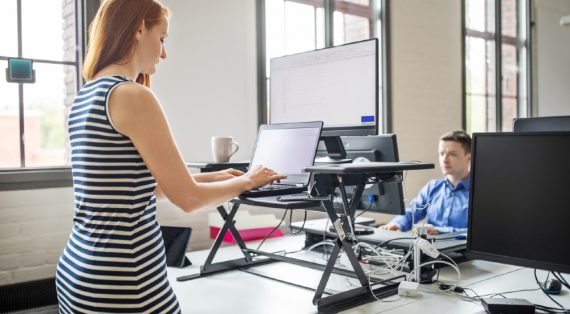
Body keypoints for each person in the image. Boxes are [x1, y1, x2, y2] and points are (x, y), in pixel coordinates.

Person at [55, 1, 285, 312]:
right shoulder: (132, 95)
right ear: (139, 28)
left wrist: (219, 176)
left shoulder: (86, 96)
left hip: (79, 272)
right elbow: (187, 199)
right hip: (125, 278)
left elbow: (145, 187)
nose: (164, 53)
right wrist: (246, 182)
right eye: (162, 38)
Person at [380, 130, 472, 235]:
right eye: (442, 153)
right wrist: (396, 224)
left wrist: (441, 231)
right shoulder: (432, 187)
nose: (444, 159)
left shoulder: (480, 193)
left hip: (461, 251)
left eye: (452, 154)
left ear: (469, 157)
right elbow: (412, 213)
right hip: (430, 250)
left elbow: (480, 233)